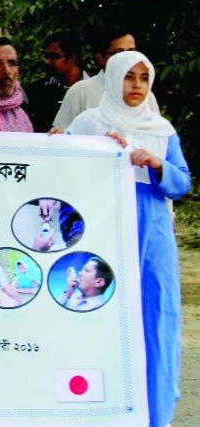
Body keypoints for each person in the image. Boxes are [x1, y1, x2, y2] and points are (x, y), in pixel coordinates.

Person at [65, 51, 190, 427]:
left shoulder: (162, 129)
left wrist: (156, 164)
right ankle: (93, 410)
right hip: (102, 228)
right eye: (128, 77)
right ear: (112, 78)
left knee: (156, 315)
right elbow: (61, 167)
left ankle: (155, 412)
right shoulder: (89, 123)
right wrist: (98, 151)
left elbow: (181, 182)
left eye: (143, 78)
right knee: (97, 311)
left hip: (152, 233)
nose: (135, 86)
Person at [51, 25, 158, 131]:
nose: (127, 58)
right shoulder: (80, 91)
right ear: (101, 57)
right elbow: (62, 136)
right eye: (118, 53)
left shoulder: (145, 95)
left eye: (131, 52)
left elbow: (156, 137)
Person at [25, 31, 87, 132]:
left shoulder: (94, 88)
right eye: (46, 56)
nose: (47, 61)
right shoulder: (37, 90)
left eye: (54, 57)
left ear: (72, 58)